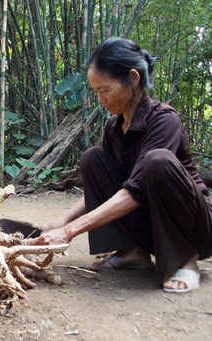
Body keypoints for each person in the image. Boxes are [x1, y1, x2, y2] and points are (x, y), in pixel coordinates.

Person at [31, 37, 212, 293]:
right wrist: (59, 223)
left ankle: (185, 259)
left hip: (195, 226)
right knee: (93, 158)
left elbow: (134, 191)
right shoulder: (114, 127)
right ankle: (132, 251)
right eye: (96, 92)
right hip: (151, 223)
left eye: (105, 90)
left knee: (156, 161)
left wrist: (70, 231)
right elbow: (115, 188)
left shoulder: (164, 119)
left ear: (133, 78)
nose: (100, 100)